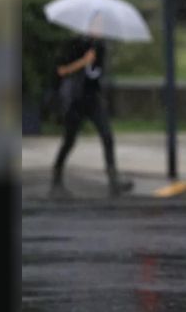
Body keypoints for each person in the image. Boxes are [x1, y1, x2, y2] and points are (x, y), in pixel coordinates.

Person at [51, 35, 133, 197]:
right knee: (69, 140)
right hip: (75, 100)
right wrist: (83, 62)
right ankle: (56, 177)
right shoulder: (74, 44)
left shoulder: (101, 47)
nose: (99, 28)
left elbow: (98, 74)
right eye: (96, 23)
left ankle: (113, 179)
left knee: (107, 136)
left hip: (93, 100)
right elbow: (61, 71)